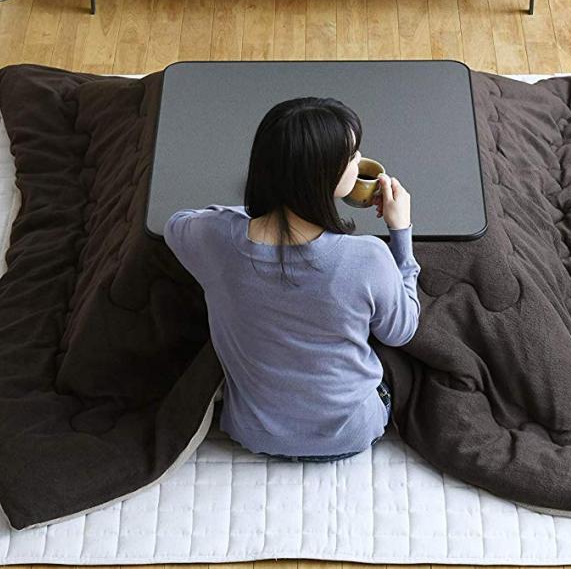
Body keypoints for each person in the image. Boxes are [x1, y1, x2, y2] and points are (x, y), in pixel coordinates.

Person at [164, 96, 420, 462]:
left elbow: (177, 223)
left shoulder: (214, 238)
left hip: (252, 431)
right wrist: (401, 232)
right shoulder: (367, 257)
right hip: (351, 431)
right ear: (324, 179)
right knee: (394, 359)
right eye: (351, 157)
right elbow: (402, 330)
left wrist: (260, 213)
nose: (360, 159)